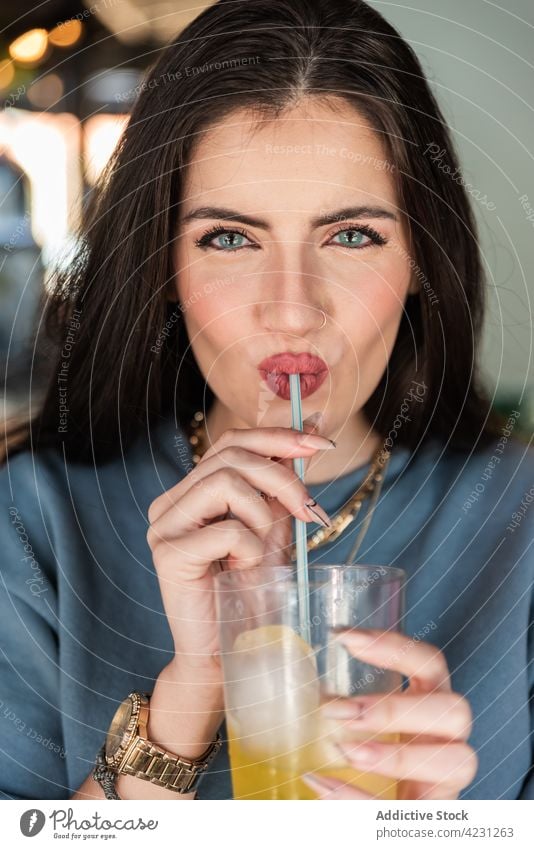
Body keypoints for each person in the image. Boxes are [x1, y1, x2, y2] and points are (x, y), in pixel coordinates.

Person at [0, 0, 532, 802]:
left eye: (351, 235)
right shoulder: (33, 520)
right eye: (230, 238)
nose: (292, 308)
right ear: (164, 269)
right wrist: (190, 692)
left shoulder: (519, 520)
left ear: (423, 258)